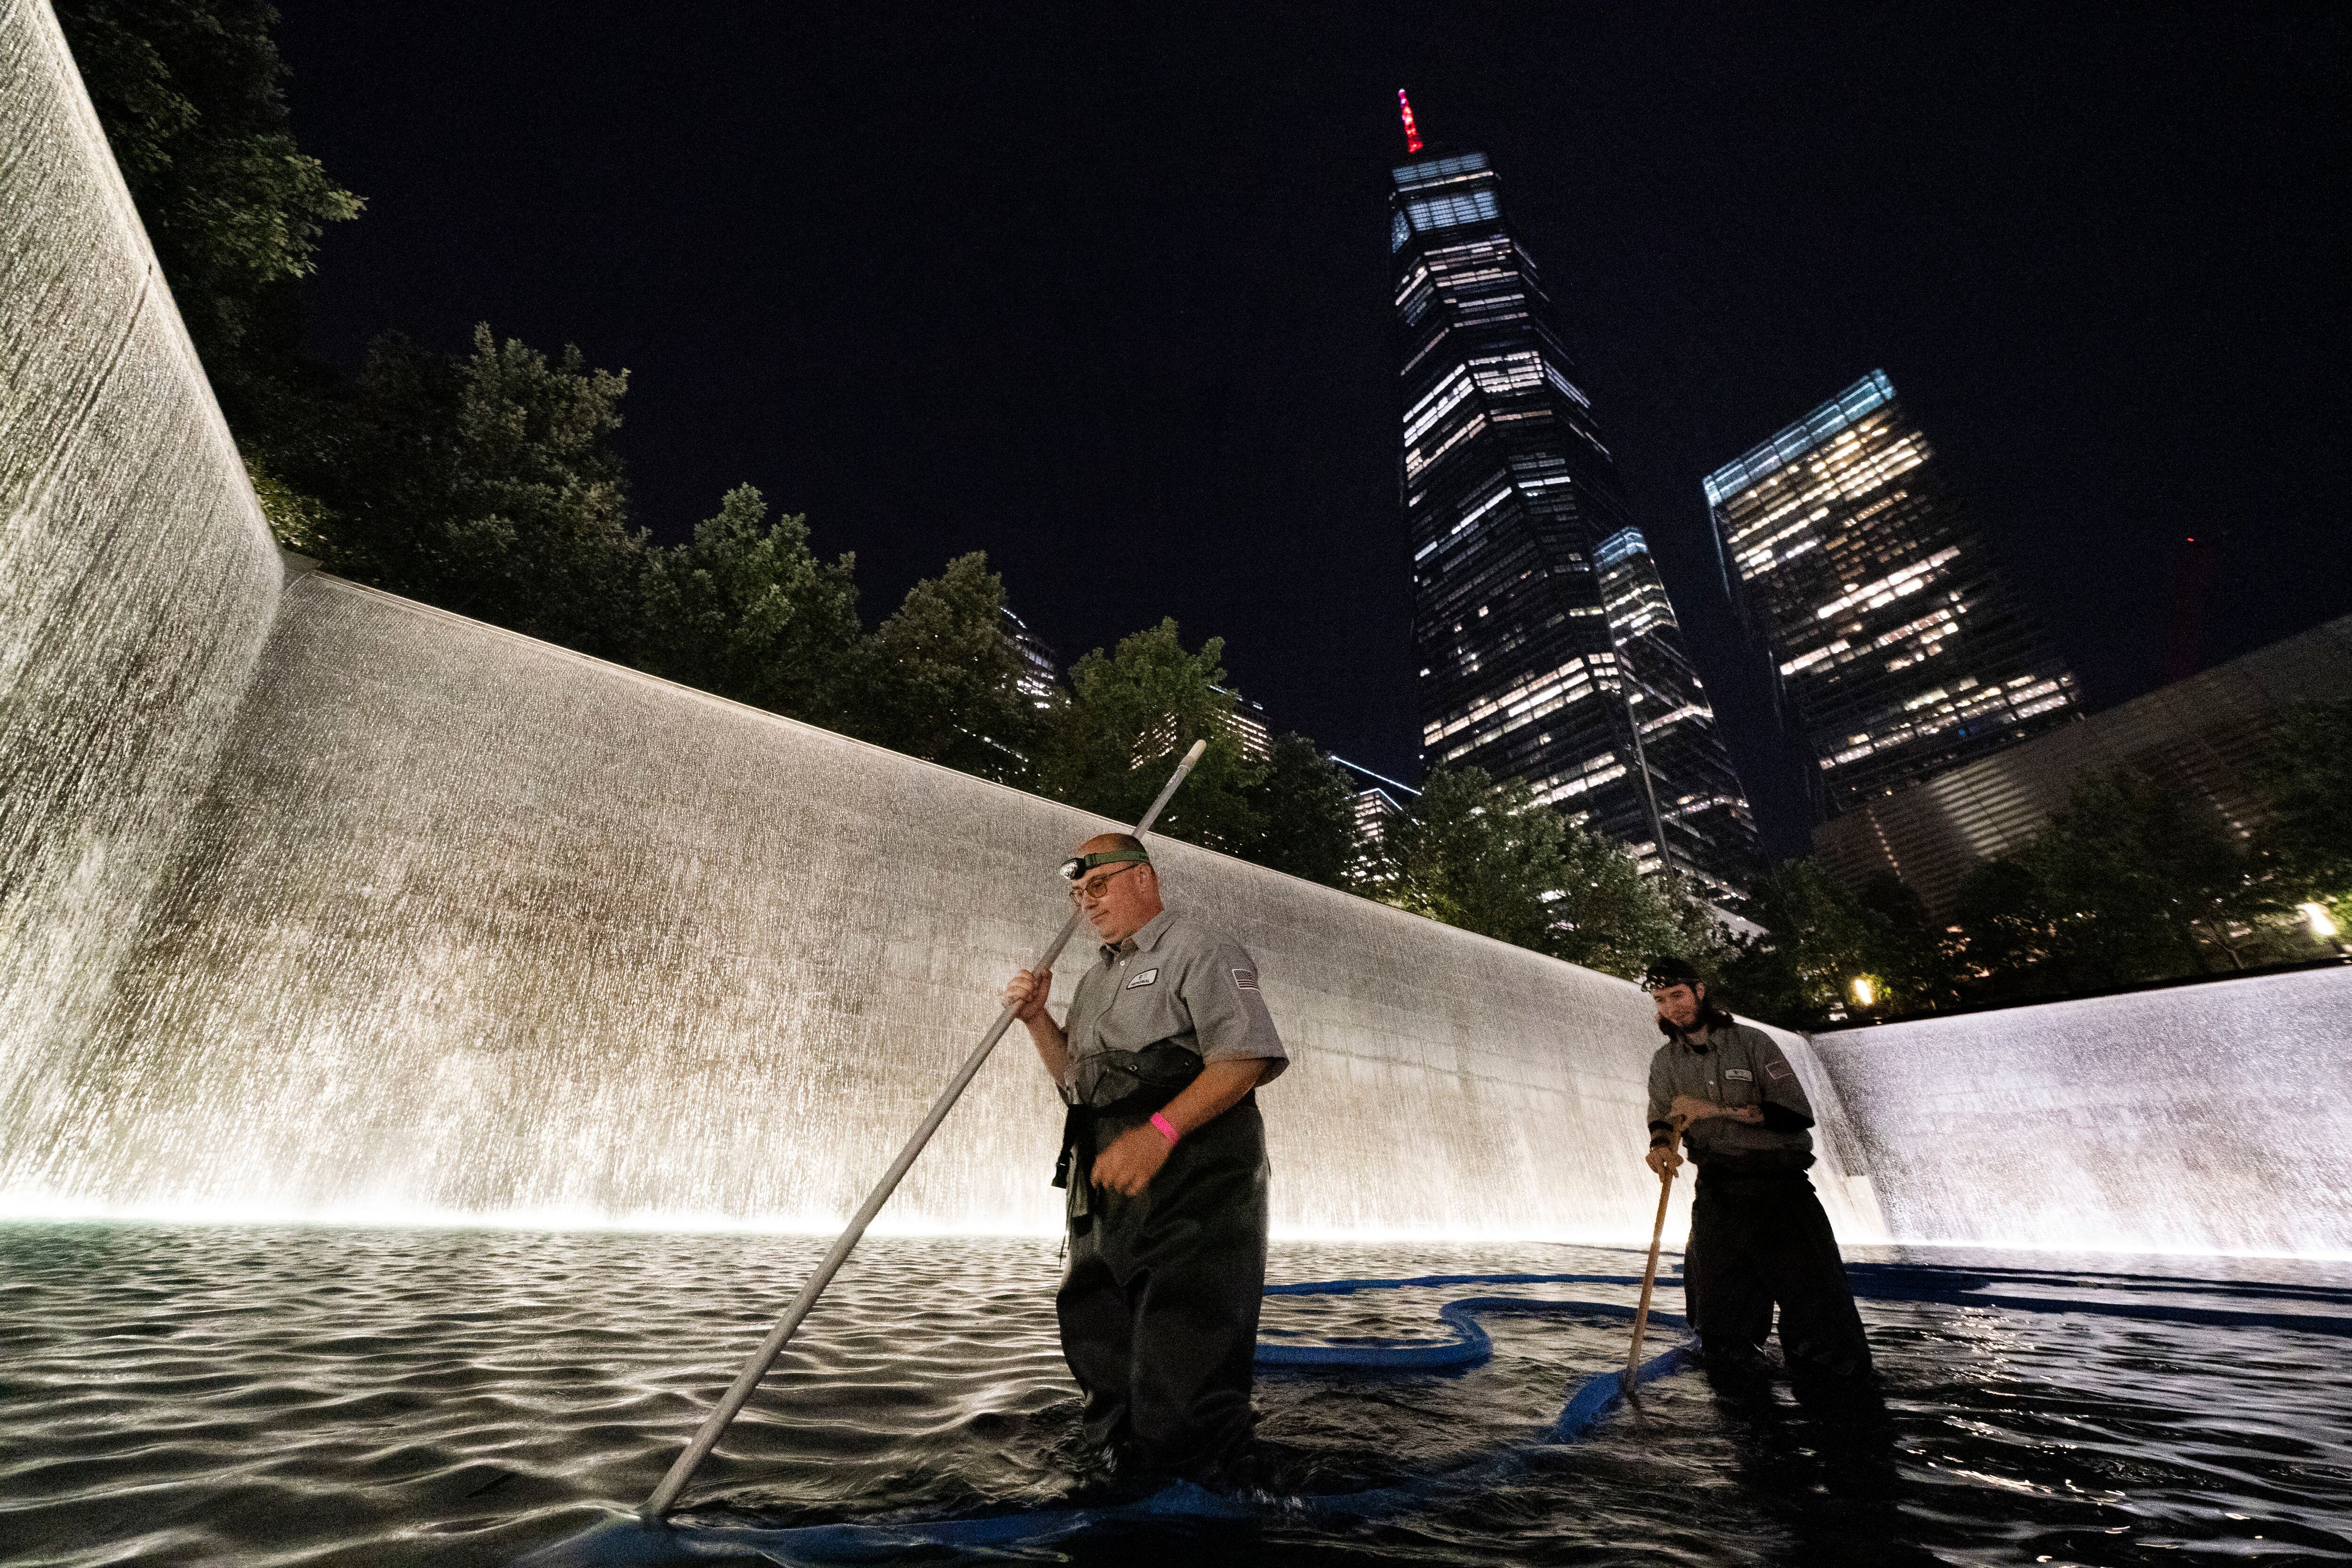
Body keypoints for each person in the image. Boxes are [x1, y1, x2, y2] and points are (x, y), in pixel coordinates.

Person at [1002, 832, 1287, 1482]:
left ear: (1142, 878)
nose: (1088, 903)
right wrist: (1038, 1020)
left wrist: (1160, 1130)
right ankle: (1118, 1478)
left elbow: (1245, 1058)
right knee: (1103, 1352)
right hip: (1107, 1189)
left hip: (1196, 1190)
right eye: (1078, 894)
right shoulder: (1096, 978)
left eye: (1098, 885)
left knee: (1185, 1363)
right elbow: (1077, 1081)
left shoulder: (1202, 949)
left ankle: (1210, 1504)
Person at [1641, 956, 1873, 1387]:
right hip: (1718, 1192)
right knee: (1719, 1312)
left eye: (1678, 995)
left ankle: (1838, 1396)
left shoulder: (1753, 1042)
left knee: (1817, 1307)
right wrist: (1660, 1148)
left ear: (1699, 991)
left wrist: (1716, 1110)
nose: (1672, 1007)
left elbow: (1796, 1114)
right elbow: (1662, 1119)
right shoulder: (1664, 1062)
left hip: (1780, 1190)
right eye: (1661, 1000)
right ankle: (1740, 1397)